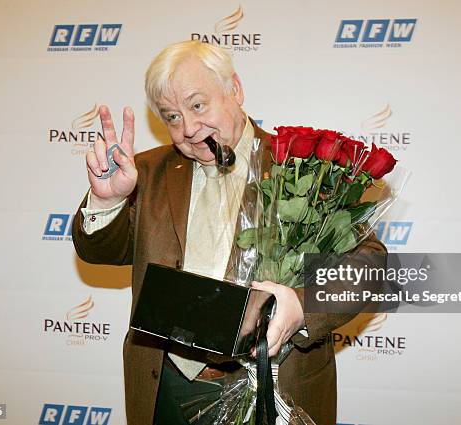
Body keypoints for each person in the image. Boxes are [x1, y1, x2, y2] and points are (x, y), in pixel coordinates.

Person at [72, 40, 386, 425]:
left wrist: (302, 306)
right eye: (171, 116)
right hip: (165, 390)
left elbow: (370, 267)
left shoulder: (304, 168)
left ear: (234, 89)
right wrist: (107, 202)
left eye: (197, 105)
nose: (188, 128)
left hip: (275, 392)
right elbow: (100, 250)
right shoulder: (145, 172)